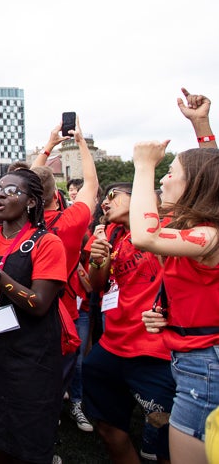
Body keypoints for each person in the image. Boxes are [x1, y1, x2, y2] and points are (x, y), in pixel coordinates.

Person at [131, 87, 218, 464]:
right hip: (193, 360)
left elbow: (144, 235)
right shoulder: (198, 226)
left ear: (193, 187)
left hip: (206, 369)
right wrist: (201, 126)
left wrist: (144, 165)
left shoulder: (210, 234)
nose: (163, 181)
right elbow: (213, 171)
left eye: (170, 174)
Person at [0, 167, 66, 463]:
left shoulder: (47, 243)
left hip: (30, 362)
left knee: (27, 442)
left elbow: (39, 303)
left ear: (31, 202)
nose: (0, 196)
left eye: (10, 191)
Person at [85, 183, 174, 463]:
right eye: (104, 199)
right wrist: (99, 259)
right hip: (111, 346)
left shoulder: (164, 227)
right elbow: (96, 285)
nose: (106, 203)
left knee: (169, 439)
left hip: (155, 350)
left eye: (114, 196)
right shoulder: (111, 234)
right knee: (107, 426)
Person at [32, 120, 99, 433]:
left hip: (26, 306)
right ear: (54, 194)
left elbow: (26, 180)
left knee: (31, 384)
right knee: (56, 380)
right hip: (65, 312)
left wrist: (48, 147)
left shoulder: (20, 221)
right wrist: (81, 143)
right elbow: (91, 185)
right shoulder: (72, 221)